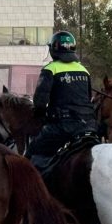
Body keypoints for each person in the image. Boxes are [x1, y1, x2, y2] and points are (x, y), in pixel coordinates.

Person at [26, 31, 97, 173]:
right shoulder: (84, 70)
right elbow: (88, 97)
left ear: (53, 49)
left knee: (32, 152)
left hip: (61, 128)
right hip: (89, 126)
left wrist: (40, 115)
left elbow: (40, 103)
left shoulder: (51, 69)